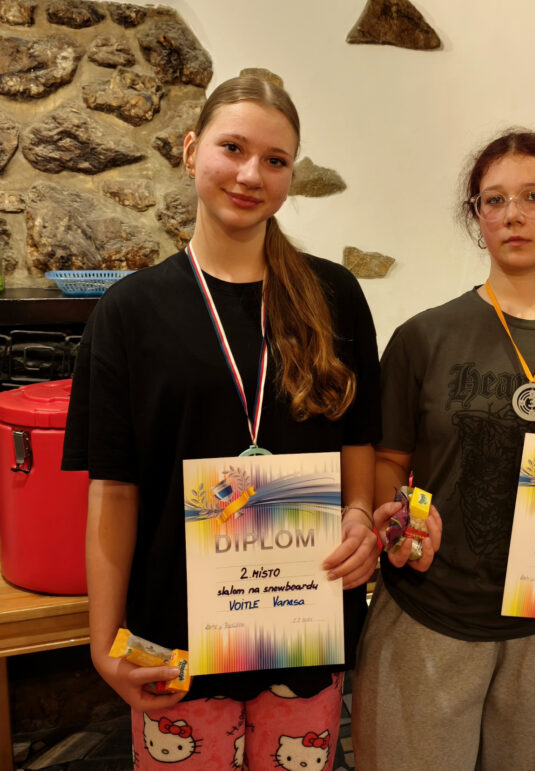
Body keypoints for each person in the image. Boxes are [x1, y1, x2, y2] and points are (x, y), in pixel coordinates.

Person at [62, 75, 381, 769]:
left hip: (303, 627)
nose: (250, 174)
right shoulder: (127, 312)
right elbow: (113, 490)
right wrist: (102, 641)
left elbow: (358, 443)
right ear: (190, 150)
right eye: (232, 147)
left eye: (275, 160)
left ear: (291, 176)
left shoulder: (334, 295)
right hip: (173, 640)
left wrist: (360, 515)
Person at [351, 130, 535, 770]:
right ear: (476, 217)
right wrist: (397, 518)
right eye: (494, 200)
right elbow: (389, 460)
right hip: (431, 609)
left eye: (534, 196)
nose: (512, 214)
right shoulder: (424, 338)